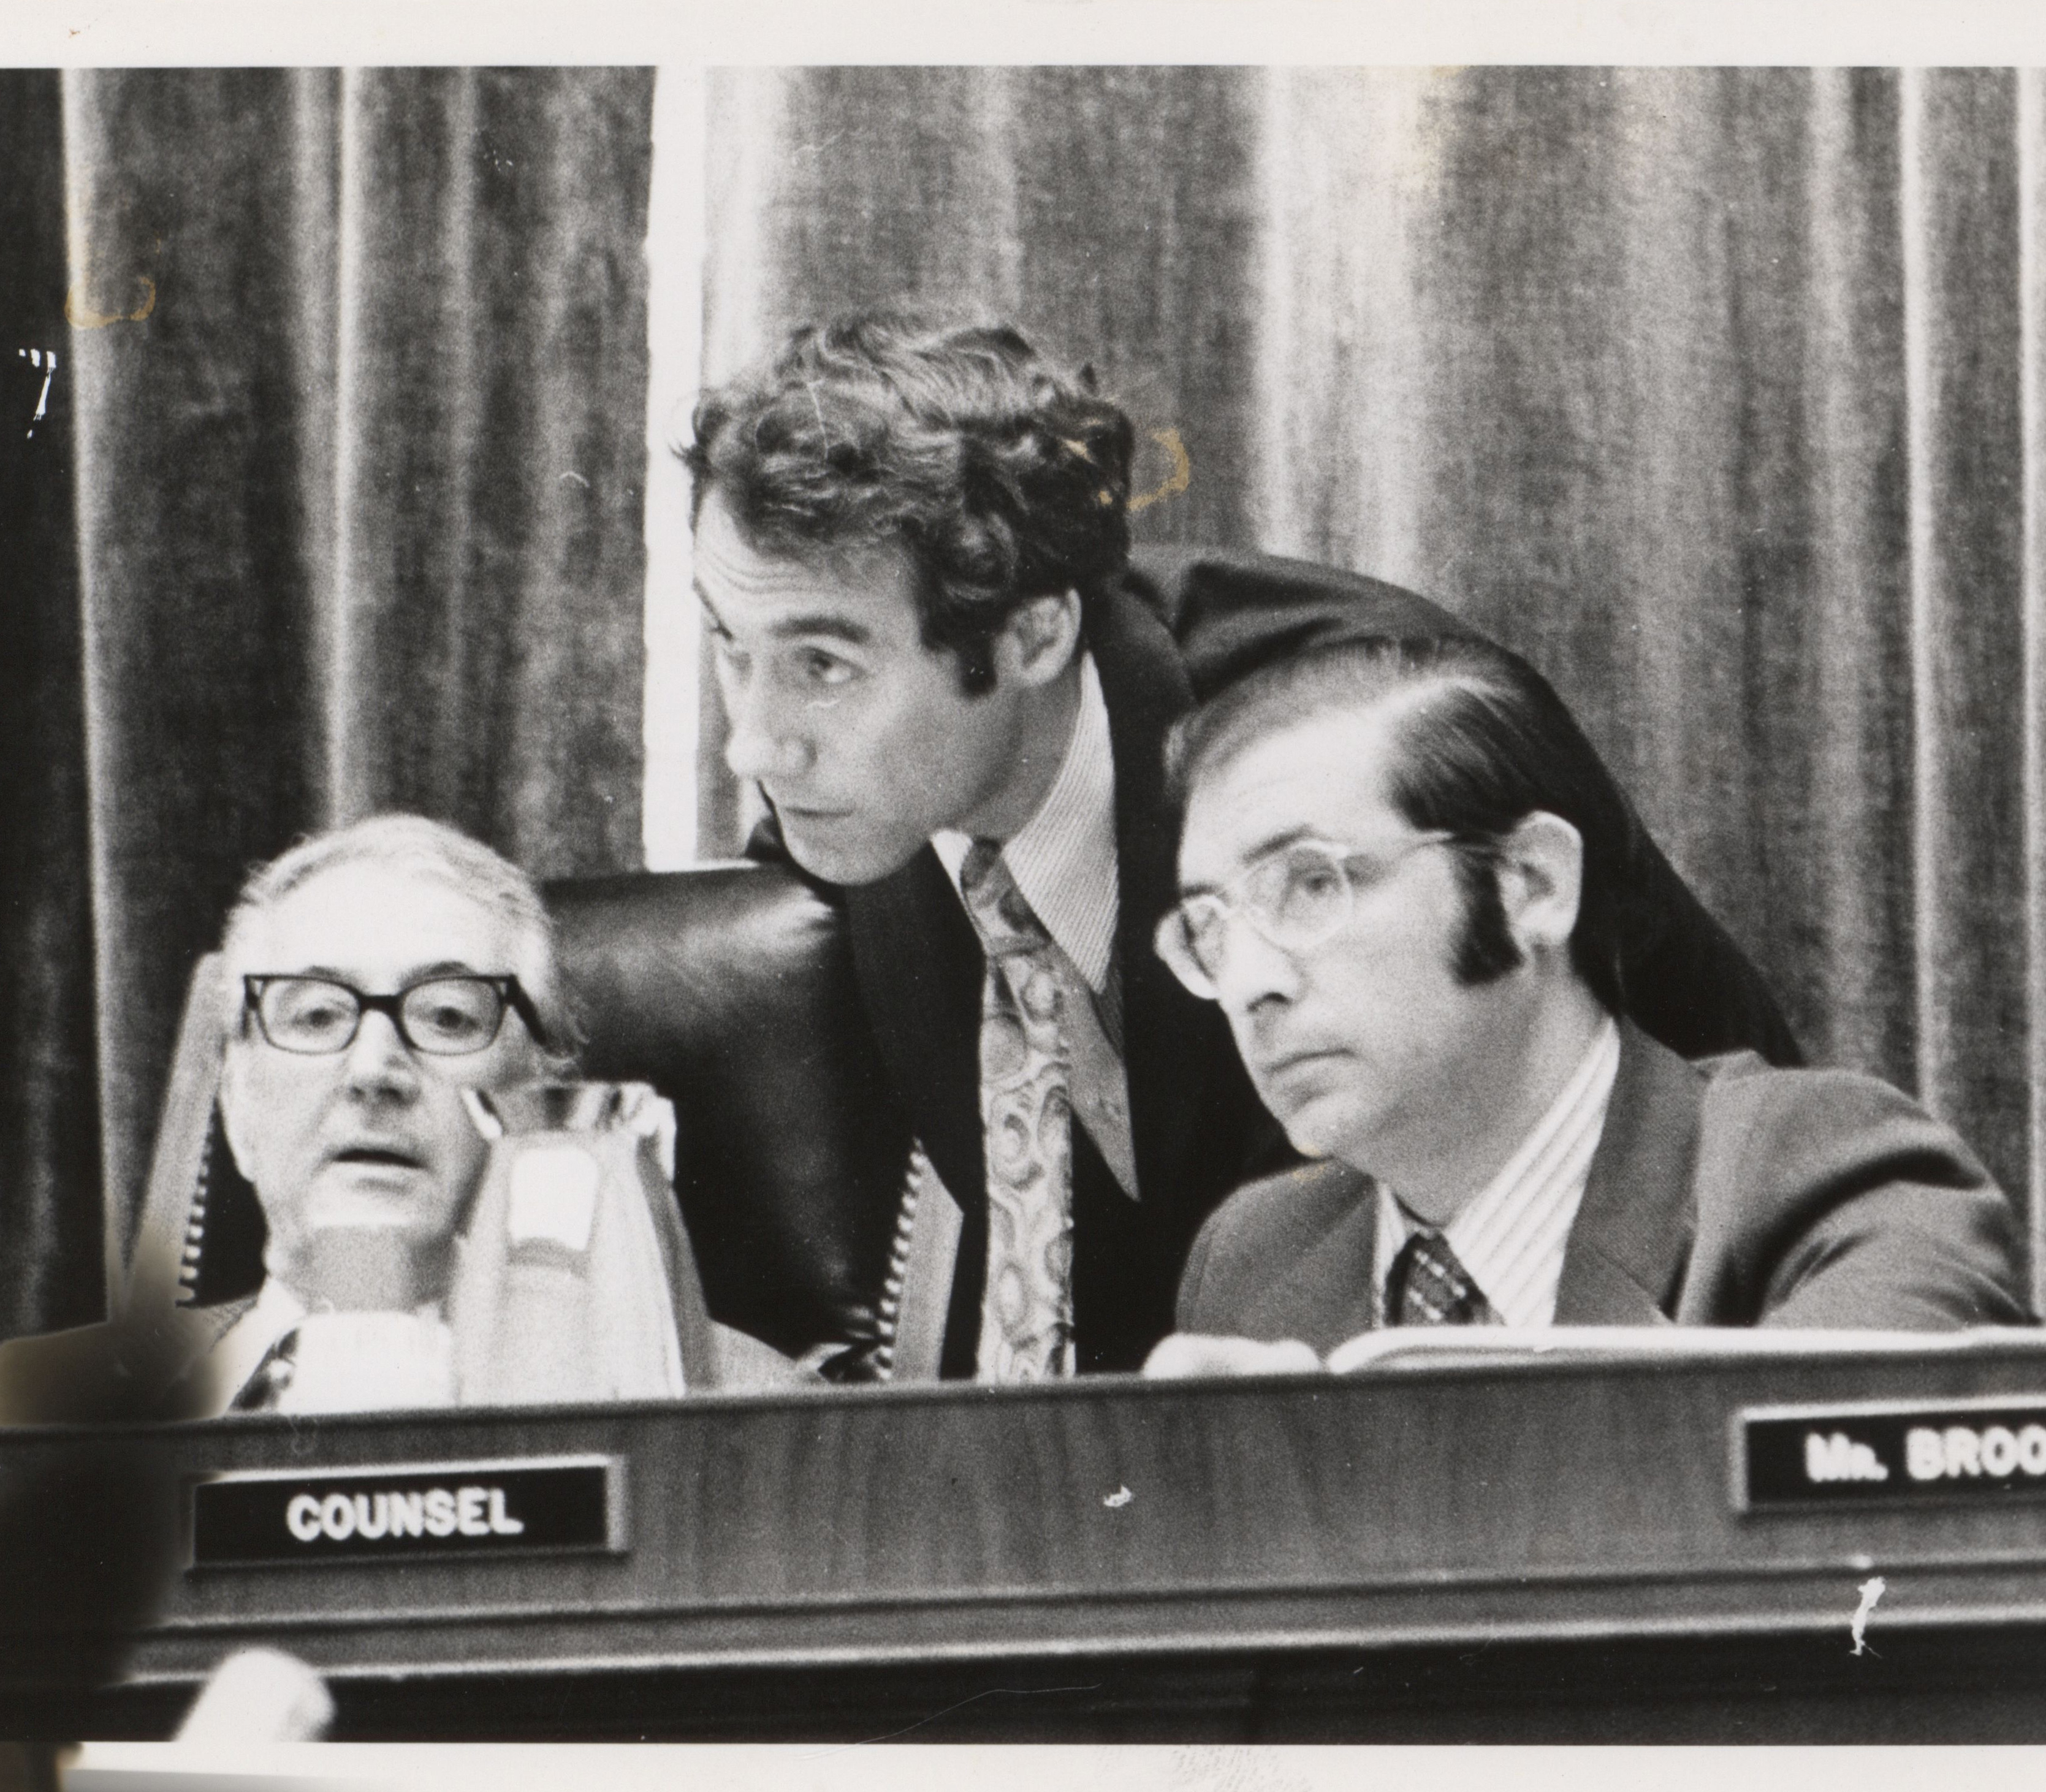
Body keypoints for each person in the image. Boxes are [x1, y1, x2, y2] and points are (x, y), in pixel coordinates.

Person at [683, 310, 1801, 1381]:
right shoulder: (862, 808)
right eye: (731, 646)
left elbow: (1704, 1155)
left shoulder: (1357, 727)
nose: (755, 744)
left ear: (1031, 633)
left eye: (823, 665)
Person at [1145, 636, 2031, 1373]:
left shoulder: (1820, 1177)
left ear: (1531, 884)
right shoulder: (1252, 1259)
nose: (1246, 982)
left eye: (1310, 883)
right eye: (1210, 927)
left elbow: (1814, 1542)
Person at [0, 814, 765, 1423]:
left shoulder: (741, 1412)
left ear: (538, 1104)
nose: (375, 1069)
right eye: (314, 1015)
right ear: (237, 1107)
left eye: (445, 1016)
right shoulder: (29, 1415)